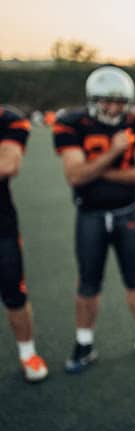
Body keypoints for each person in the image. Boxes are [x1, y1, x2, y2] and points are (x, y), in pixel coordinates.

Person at [53, 65, 135, 373]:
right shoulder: (70, 123)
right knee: (88, 282)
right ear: (94, 99)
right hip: (89, 215)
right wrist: (114, 153)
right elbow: (74, 175)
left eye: (119, 102)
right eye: (107, 101)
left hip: (127, 213)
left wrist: (96, 171)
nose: (114, 107)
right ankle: (84, 342)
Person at [0, 105, 49, 382]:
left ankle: (27, 352)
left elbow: (8, 164)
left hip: (2, 225)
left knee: (14, 290)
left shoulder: (8, 119)